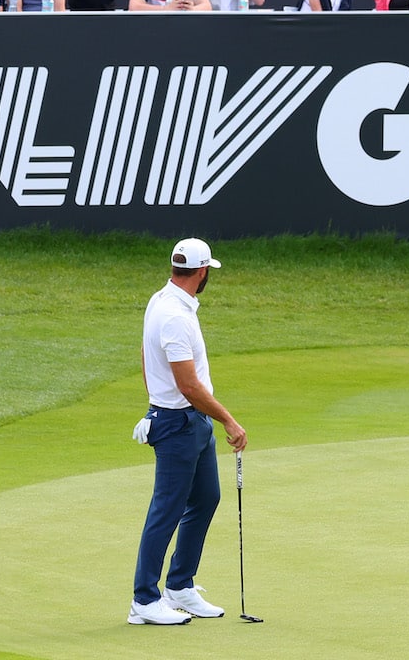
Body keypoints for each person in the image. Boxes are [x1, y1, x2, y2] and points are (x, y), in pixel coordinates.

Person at [129, 238, 248, 626]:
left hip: (190, 422)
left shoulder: (162, 300)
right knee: (166, 510)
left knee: (206, 498)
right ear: (201, 273)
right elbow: (189, 386)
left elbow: (148, 360)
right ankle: (144, 601)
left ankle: (179, 585)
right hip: (179, 423)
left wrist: (155, 397)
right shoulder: (175, 316)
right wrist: (228, 420)